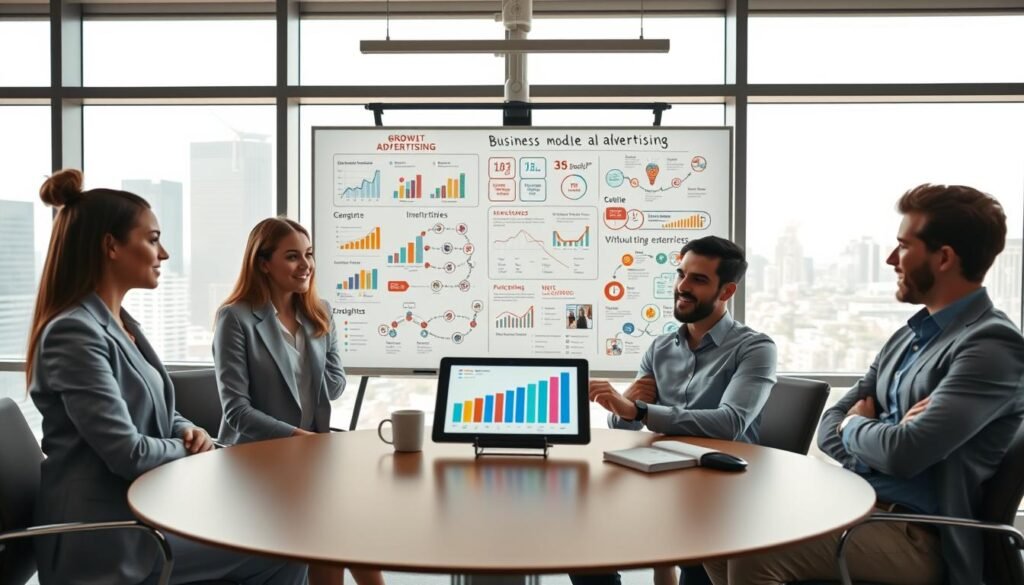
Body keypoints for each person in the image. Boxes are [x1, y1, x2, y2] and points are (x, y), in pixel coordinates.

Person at [705, 184, 1024, 585]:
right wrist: (883, 435)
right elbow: (828, 430)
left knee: (755, 558)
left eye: (904, 246)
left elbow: (904, 453)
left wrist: (857, 426)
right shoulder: (907, 337)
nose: (892, 259)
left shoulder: (991, 346)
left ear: (944, 258)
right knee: (720, 539)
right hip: (858, 507)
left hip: (918, 532)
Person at [27, 170, 306, 585]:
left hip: (143, 516)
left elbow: (156, 411)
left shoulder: (122, 324)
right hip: (107, 538)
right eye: (153, 239)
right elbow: (128, 452)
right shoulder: (74, 332)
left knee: (283, 538)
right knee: (284, 550)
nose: (165, 253)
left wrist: (188, 428)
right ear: (112, 247)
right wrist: (192, 449)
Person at [574, 236, 778, 585]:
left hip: (721, 494)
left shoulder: (755, 348)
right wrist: (624, 408)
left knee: (697, 572)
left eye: (698, 280)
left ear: (726, 292)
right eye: (681, 274)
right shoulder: (661, 347)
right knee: (582, 543)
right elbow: (627, 425)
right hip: (659, 480)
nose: (682, 287)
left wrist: (639, 410)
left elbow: (730, 423)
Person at [213, 217, 384, 585]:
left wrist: (317, 352)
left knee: (341, 520)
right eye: (292, 257)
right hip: (255, 458)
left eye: (308, 255)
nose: (306, 265)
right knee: (335, 521)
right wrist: (303, 441)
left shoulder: (319, 311)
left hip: (308, 456)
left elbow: (335, 386)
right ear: (263, 262)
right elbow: (237, 412)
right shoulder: (236, 318)